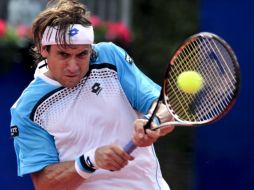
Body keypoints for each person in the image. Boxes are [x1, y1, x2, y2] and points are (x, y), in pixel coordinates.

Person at [10, 0, 175, 189]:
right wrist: (90, 161)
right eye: (63, 55)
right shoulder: (26, 109)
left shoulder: (110, 58)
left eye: (82, 54)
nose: (73, 67)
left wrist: (154, 122)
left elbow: (163, 106)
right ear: (43, 49)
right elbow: (45, 184)